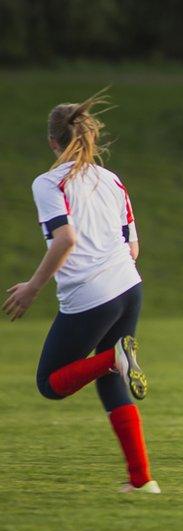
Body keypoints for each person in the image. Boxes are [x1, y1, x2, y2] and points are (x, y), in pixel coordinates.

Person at [3, 91, 158, 494]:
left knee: (50, 382)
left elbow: (65, 238)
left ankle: (115, 355)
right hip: (129, 285)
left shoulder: (49, 182)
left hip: (92, 294)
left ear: (54, 142)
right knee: (111, 380)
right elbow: (133, 246)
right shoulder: (112, 180)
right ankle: (141, 481)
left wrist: (32, 288)